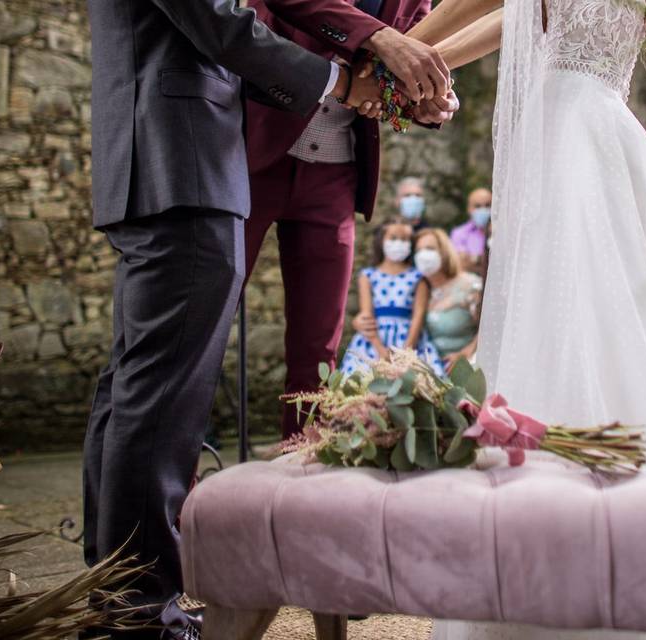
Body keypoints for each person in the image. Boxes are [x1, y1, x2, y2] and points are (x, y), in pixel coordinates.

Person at [401, 2, 646, 636]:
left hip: (573, 133)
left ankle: (579, 541)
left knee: (577, 302)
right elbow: (512, 16)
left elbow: (478, 5)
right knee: (611, 311)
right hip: (596, 127)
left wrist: (391, 55)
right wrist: (423, 61)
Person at [82, 1, 387, 638]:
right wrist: (336, 81)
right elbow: (216, 19)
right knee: (161, 399)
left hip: (163, 151)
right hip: (181, 156)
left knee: (134, 389)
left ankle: (118, 597)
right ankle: (142, 617)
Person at [243, 0, 459, 439]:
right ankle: (175, 492)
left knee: (319, 345)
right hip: (253, 152)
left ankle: (301, 468)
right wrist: (377, 39)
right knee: (203, 325)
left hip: (336, 175)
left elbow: (413, 52)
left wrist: (427, 101)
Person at [341, 219, 444, 375]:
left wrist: (406, 353)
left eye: (404, 240)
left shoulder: (418, 277)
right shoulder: (367, 276)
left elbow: (418, 316)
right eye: (393, 238)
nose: (398, 243)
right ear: (381, 240)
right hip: (373, 342)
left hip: (409, 341)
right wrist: (380, 349)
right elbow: (366, 316)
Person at [414, 228, 482, 371]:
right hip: (428, 372)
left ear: (444, 252)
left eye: (430, 248)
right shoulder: (418, 289)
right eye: (418, 250)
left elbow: (488, 329)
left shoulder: (470, 286)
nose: (423, 255)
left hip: (466, 370)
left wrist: (465, 354)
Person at [450, 188, 493, 272]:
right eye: (478, 206)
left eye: (488, 205)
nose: (483, 209)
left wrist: (474, 259)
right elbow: (459, 264)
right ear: (469, 209)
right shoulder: (458, 233)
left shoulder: (501, 233)